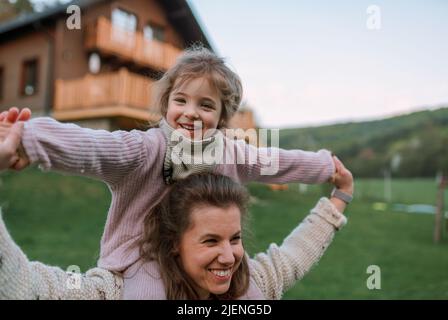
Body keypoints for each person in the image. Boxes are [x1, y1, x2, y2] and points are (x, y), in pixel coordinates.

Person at [0, 46, 339, 298]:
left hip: (212, 271)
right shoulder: (144, 150)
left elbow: (278, 162)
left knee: (248, 295)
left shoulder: (232, 153)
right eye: (181, 101)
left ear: (221, 117)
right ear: (166, 104)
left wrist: (326, 167)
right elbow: (92, 147)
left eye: (205, 105)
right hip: (142, 260)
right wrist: (28, 138)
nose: (191, 113)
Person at [0, 137, 353, 299]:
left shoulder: (256, 282)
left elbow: (297, 250)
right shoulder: (115, 292)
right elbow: (31, 284)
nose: (229, 256)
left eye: (234, 238)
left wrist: (341, 194)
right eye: (210, 241)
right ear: (173, 245)